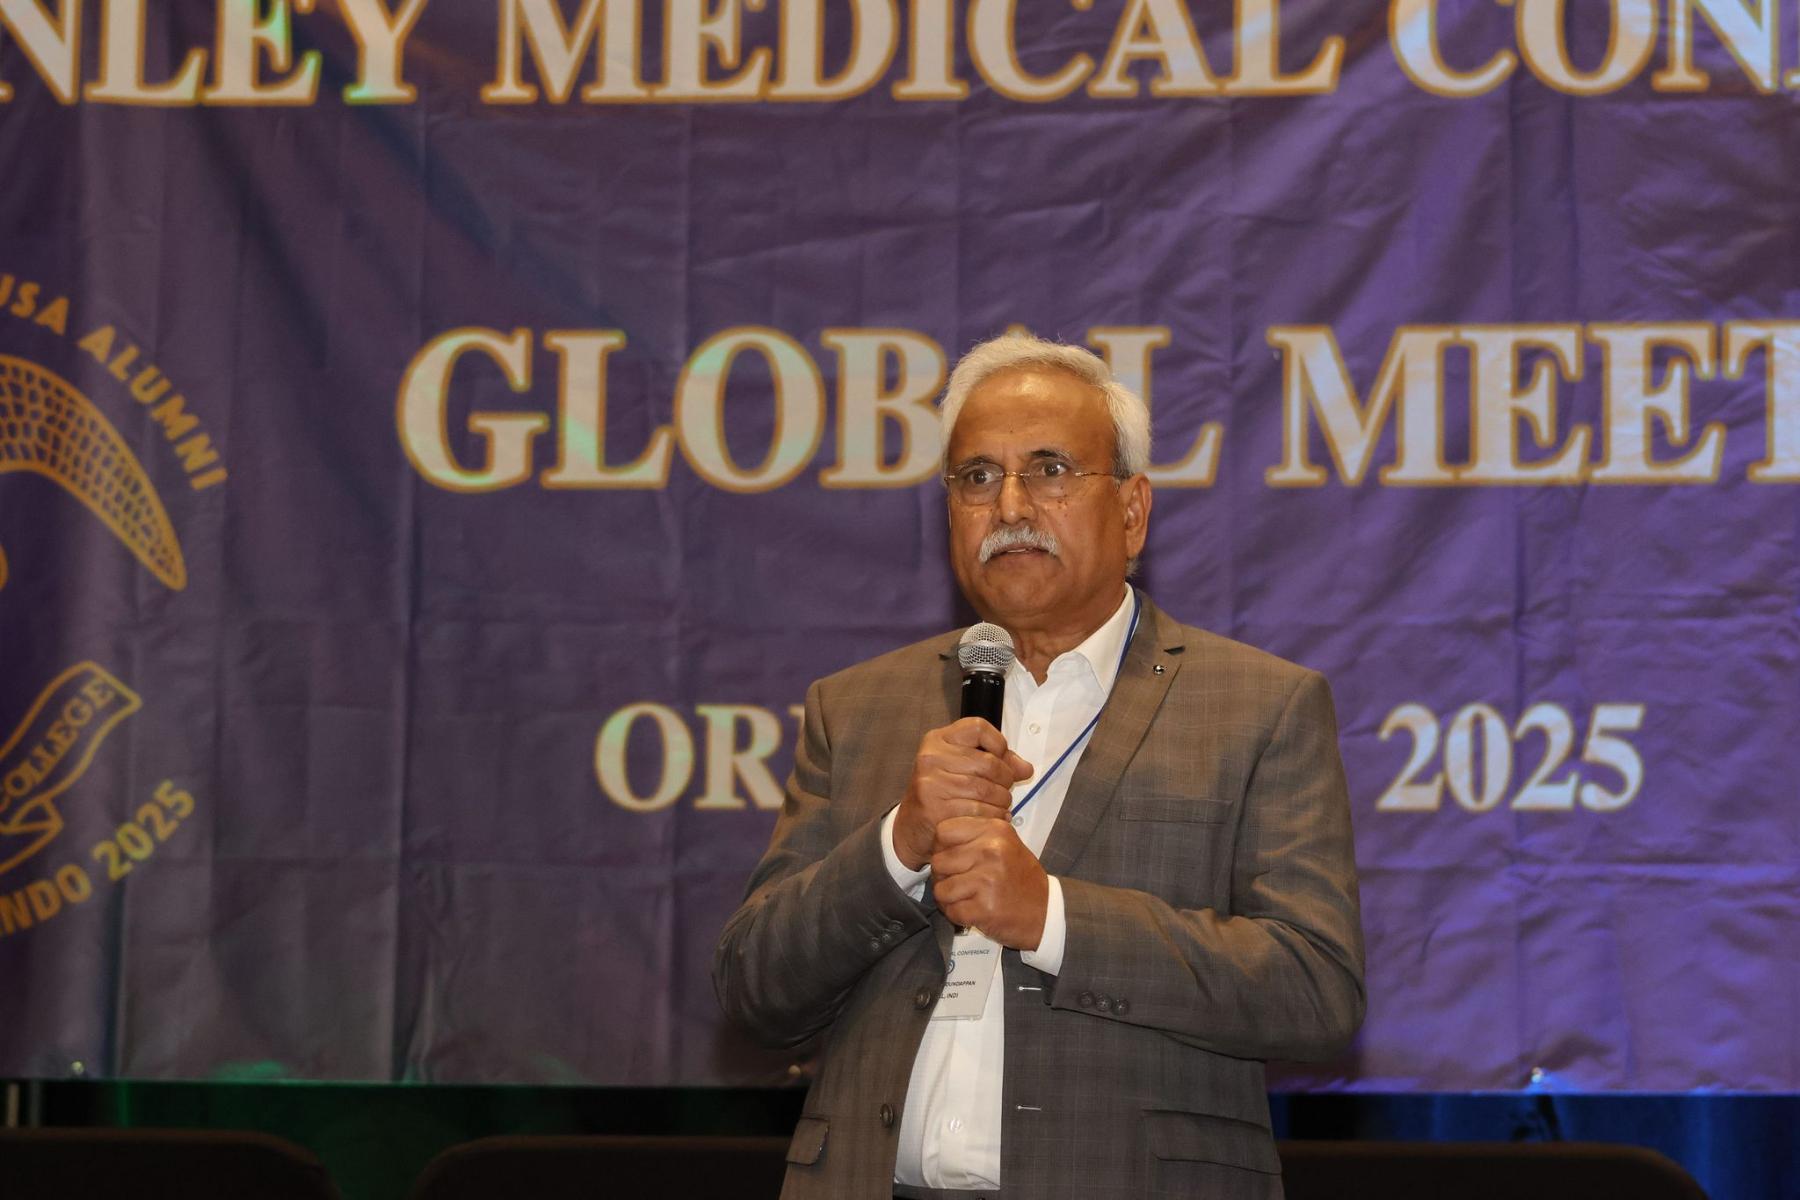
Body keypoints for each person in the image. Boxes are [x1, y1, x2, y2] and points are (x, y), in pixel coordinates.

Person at [714, 333, 1365, 1200]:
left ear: (1132, 511)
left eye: (1050, 469)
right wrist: (897, 846)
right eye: (977, 477)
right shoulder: (856, 706)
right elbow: (755, 989)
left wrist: (1052, 916)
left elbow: (1315, 989)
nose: (1010, 504)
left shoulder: (1260, 706)